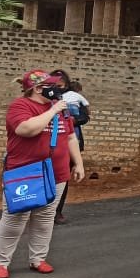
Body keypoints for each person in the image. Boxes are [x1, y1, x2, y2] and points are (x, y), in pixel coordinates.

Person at [0, 70, 85, 278]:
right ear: (38, 88)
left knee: (45, 218)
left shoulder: (61, 108)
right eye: (52, 86)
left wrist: (78, 163)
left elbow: (70, 137)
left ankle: (38, 259)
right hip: (24, 173)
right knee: (15, 218)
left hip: (56, 174)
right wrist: (53, 111)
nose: (57, 89)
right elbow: (26, 129)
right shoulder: (21, 106)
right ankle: (0, 263)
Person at [49, 69, 88, 225]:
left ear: (66, 84)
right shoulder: (47, 98)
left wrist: (70, 120)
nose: (58, 88)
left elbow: (85, 117)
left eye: (61, 85)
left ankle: (57, 211)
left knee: (62, 178)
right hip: (49, 144)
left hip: (70, 142)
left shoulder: (74, 98)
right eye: (55, 85)